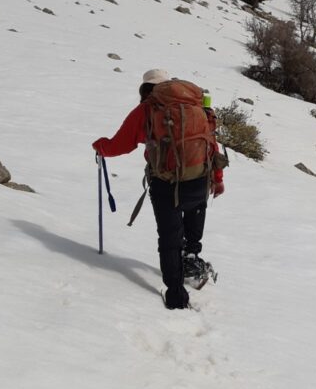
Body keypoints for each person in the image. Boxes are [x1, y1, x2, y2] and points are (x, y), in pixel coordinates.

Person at [92, 69, 225, 309]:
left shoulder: (147, 109)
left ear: (145, 89)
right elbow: (212, 144)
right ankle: (192, 261)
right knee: (194, 218)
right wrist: (218, 178)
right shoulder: (196, 104)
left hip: (166, 184)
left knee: (170, 237)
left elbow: (120, 144)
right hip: (200, 178)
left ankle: (176, 294)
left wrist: (101, 147)